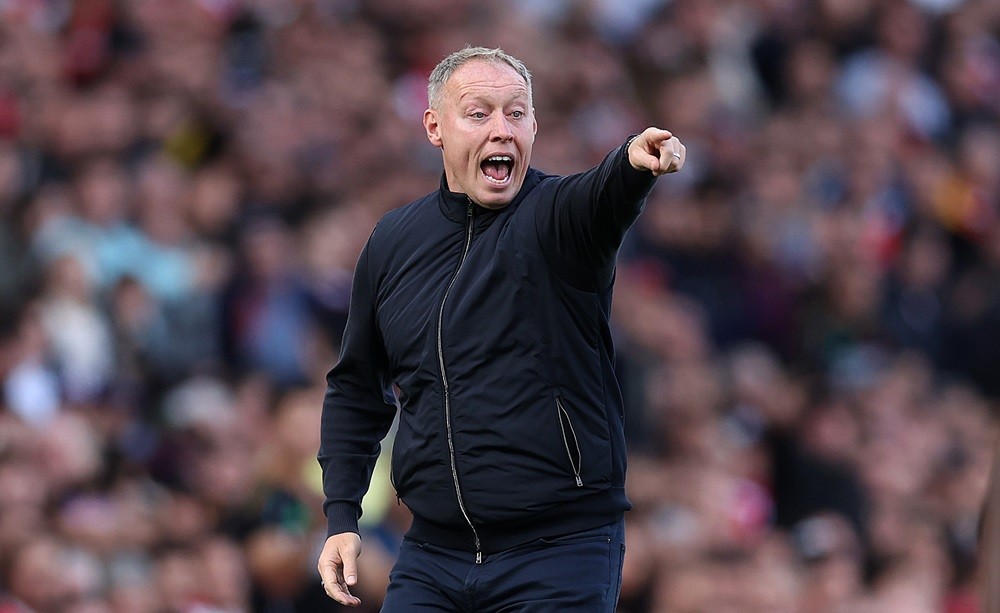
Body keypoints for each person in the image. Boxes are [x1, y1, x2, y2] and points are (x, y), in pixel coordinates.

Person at [316, 46, 685, 612]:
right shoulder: (393, 241)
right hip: (433, 556)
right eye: (479, 112)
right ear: (435, 127)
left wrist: (632, 164)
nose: (501, 129)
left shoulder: (557, 218)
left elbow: (601, 196)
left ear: (535, 126)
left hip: (559, 553)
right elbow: (356, 388)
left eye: (516, 113)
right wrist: (343, 514)